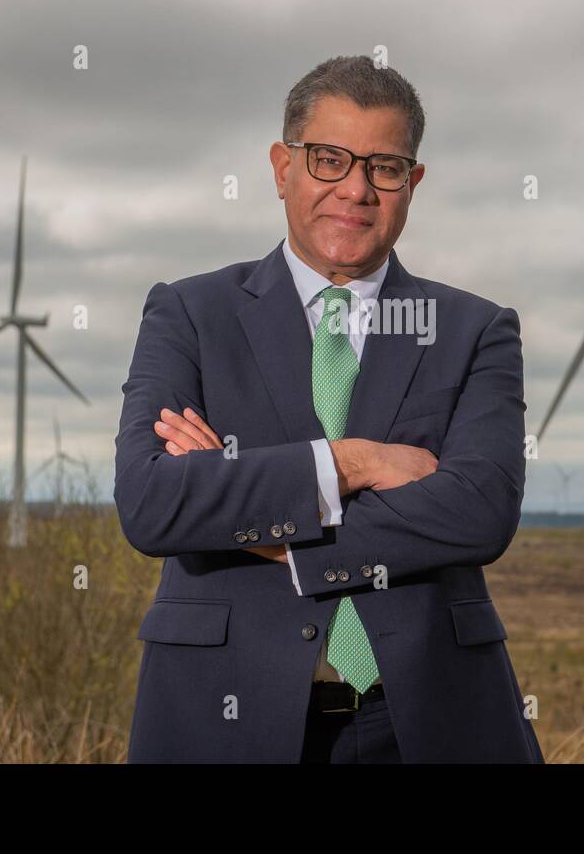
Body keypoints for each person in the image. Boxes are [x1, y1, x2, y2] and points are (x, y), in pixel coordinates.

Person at [115, 54, 542, 762]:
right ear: (282, 167)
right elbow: (153, 501)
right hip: (220, 718)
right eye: (329, 159)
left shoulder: (476, 328)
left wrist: (256, 514)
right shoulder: (190, 312)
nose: (356, 189)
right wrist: (353, 463)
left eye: (384, 167)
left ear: (414, 183)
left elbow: (479, 511)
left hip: (432, 725)